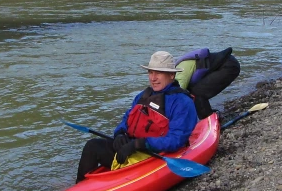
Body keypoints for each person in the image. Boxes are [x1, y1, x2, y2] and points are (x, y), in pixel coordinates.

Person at [76, 51, 199, 182]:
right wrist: (120, 133)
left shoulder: (182, 102)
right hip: (132, 149)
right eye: (150, 72)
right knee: (93, 146)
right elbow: (127, 118)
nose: (153, 78)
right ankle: (78, 189)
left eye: (158, 73)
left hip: (155, 155)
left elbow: (175, 140)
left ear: (171, 75)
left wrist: (140, 144)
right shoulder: (142, 96)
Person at [175, 47, 240, 118]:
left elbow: (178, 96)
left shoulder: (180, 72)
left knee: (198, 93)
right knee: (195, 93)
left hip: (229, 65)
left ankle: (208, 119)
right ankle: (207, 116)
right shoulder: (174, 73)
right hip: (226, 64)